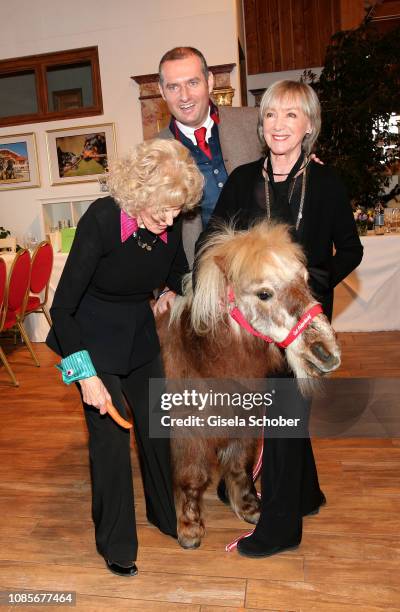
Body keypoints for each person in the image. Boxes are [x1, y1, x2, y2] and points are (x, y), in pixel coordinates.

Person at [195, 80, 363, 557]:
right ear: (261, 124)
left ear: (309, 126)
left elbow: (350, 249)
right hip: (254, 328)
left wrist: (313, 283)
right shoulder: (244, 179)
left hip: (300, 326)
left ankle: (279, 530)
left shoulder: (327, 183)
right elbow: (213, 241)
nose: (279, 125)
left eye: (292, 116)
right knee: (282, 416)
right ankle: (304, 494)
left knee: (286, 419)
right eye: (271, 115)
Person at [46, 139, 204, 576]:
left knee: (157, 426)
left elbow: (174, 273)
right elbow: (61, 310)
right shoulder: (101, 220)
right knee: (110, 441)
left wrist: (172, 292)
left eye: (177, 211)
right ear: (139, 194)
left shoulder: (167, 224)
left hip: (137, 333)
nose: (170, 221)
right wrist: (85, 377)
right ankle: (115, 543)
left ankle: (165, 515)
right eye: (162, 211)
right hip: (90, 334)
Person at [157, 46, 260, 266]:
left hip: (264, 266)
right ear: (162, 91)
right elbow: (152, 232)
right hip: (202, 276)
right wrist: (165, 287)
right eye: (173, 87)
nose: (185, 96)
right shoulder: (154, 153)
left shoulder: (255, 122)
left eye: (193, 83)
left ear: (209, 82)